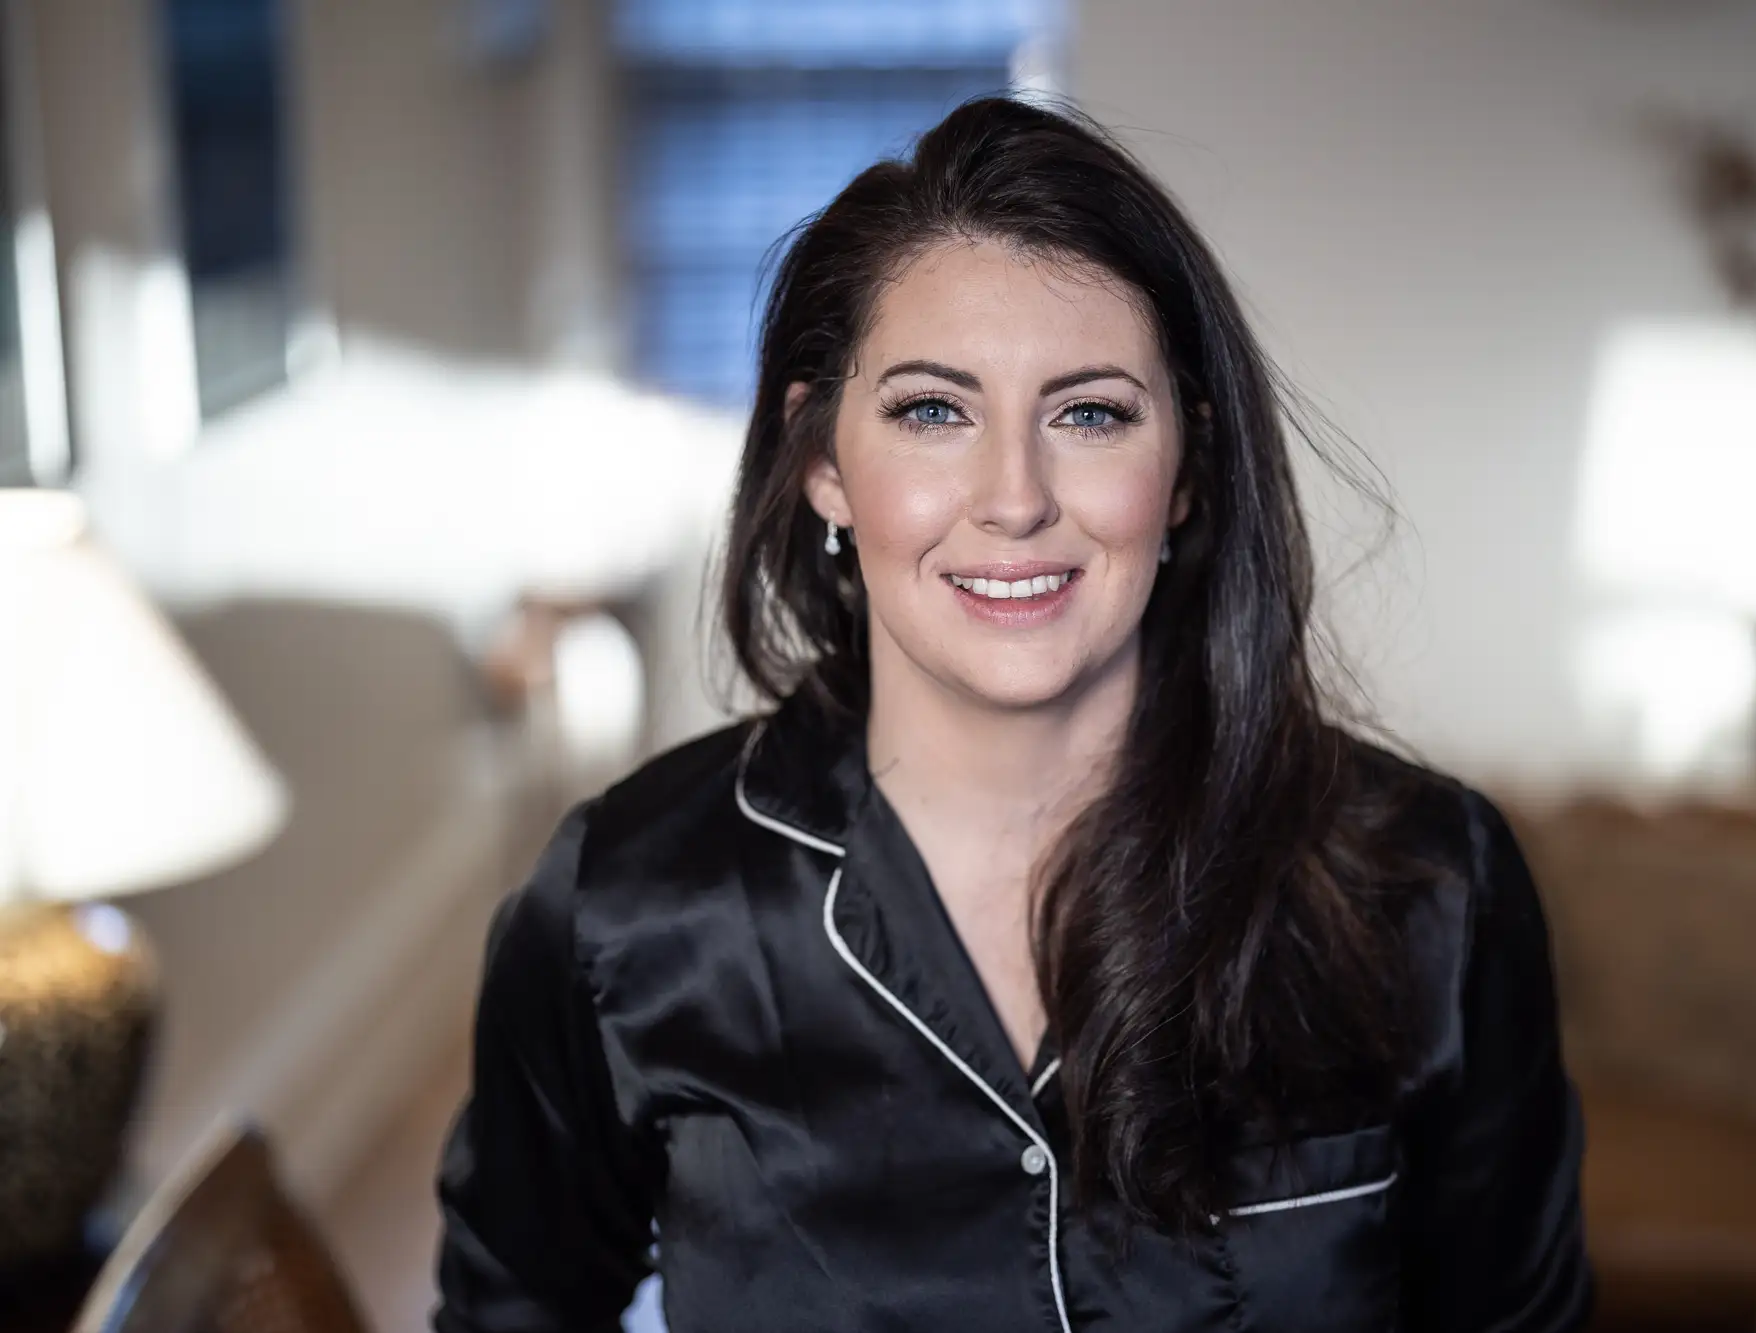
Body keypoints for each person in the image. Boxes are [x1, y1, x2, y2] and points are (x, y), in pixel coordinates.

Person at [434, 95, 1589, 1333]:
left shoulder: (1425, 886)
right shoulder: (623, 908)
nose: (1014, 497)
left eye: (1088, 413)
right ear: (821, 457)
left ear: (1187, 466)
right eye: (933, 410)